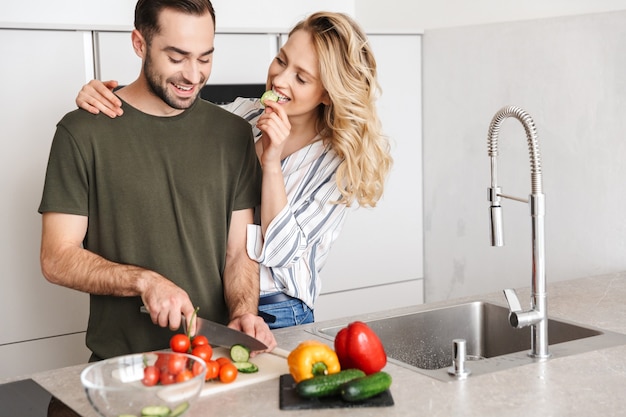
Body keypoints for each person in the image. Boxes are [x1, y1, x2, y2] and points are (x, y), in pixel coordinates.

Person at [75, 11, 392, 329]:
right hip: (222, 302)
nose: (280, 79)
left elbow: (280, 253)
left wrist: (271, 162)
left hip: (277, 311)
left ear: (326, 93)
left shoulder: (336, 164)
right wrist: (111, 99)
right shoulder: (243, 113)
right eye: (281, 61)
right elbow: (173, 118)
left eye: (301, 77)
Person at [39, 0, 276, 361]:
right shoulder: (82, 131)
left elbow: (237, 253)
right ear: (140, 44)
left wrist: (244, 311)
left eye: (205, 58)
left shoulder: (233, 134)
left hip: (212, 363)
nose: (194, 75)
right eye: (177, 58)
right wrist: (143, 281)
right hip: (123, 367)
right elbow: (57, 258)